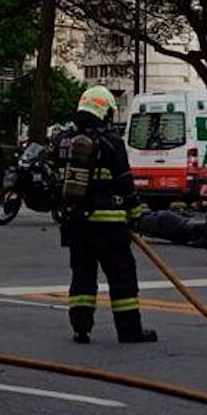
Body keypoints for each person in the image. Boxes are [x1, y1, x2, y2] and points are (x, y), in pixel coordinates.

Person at [58, 85, 157, 344]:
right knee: (122, 276)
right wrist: (135, 215)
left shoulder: (66, 141)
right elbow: (124, 182)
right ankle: (129, 330)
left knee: (82, 276)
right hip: (109, 226)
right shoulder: (111, 143)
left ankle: (81, 328)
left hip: (77, 223)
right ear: (104, 112)